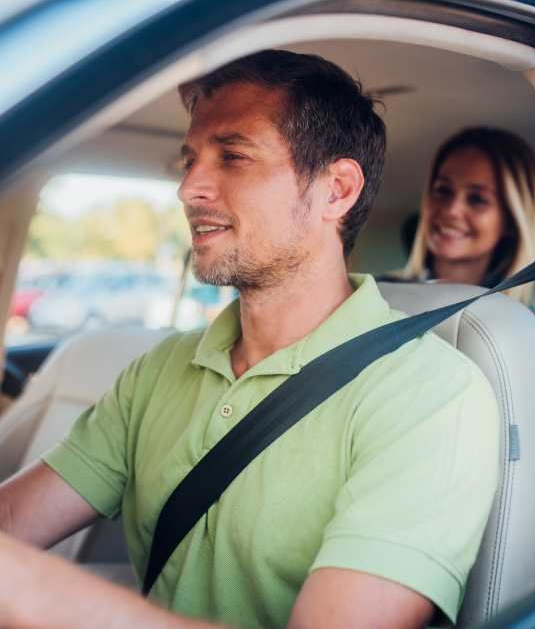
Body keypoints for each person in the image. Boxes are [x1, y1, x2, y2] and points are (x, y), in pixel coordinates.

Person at [0, 49, 500, 628]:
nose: (189, 188)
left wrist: (35, 593)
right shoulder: (160, 369)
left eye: (233, 156)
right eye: (189, 160)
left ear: (336, 190)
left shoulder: (432, 396)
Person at [392, 126, 535, 352]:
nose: (452, 210)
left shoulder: (529, 332)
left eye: (477, 199)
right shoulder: (380, 295)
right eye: (443, 190)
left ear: (510, 221)